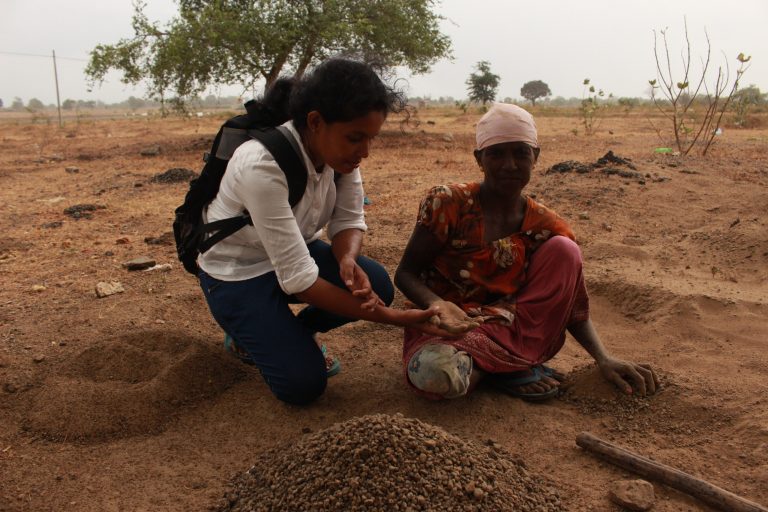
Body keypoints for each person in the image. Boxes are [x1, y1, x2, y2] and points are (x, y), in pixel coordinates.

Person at [197, 58, 442, 405]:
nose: (365, 152)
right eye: (356, 138)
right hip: (237, 272)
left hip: (289, 255)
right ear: (315, 122)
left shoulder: (338, 156)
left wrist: (346, 258)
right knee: (303, 386)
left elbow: (348, 221)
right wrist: (396, 318)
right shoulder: (262, 165)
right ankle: (247, 333)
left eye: (371, 139)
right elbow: (299, 280)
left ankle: (291, 332)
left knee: (378, 284)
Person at [394, 103, 659, 401]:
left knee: (565, 250)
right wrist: (438, 305)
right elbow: (404, 273)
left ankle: (495, 366)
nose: (510, 165)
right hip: (449, 326)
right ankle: (507, 368)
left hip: (511, 327)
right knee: (433, 374)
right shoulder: (448, 203)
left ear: (536, 157)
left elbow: (572, 307)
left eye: (521, 152)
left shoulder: (546, 225)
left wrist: (603, 358)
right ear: (479, 159)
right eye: (496, 153)